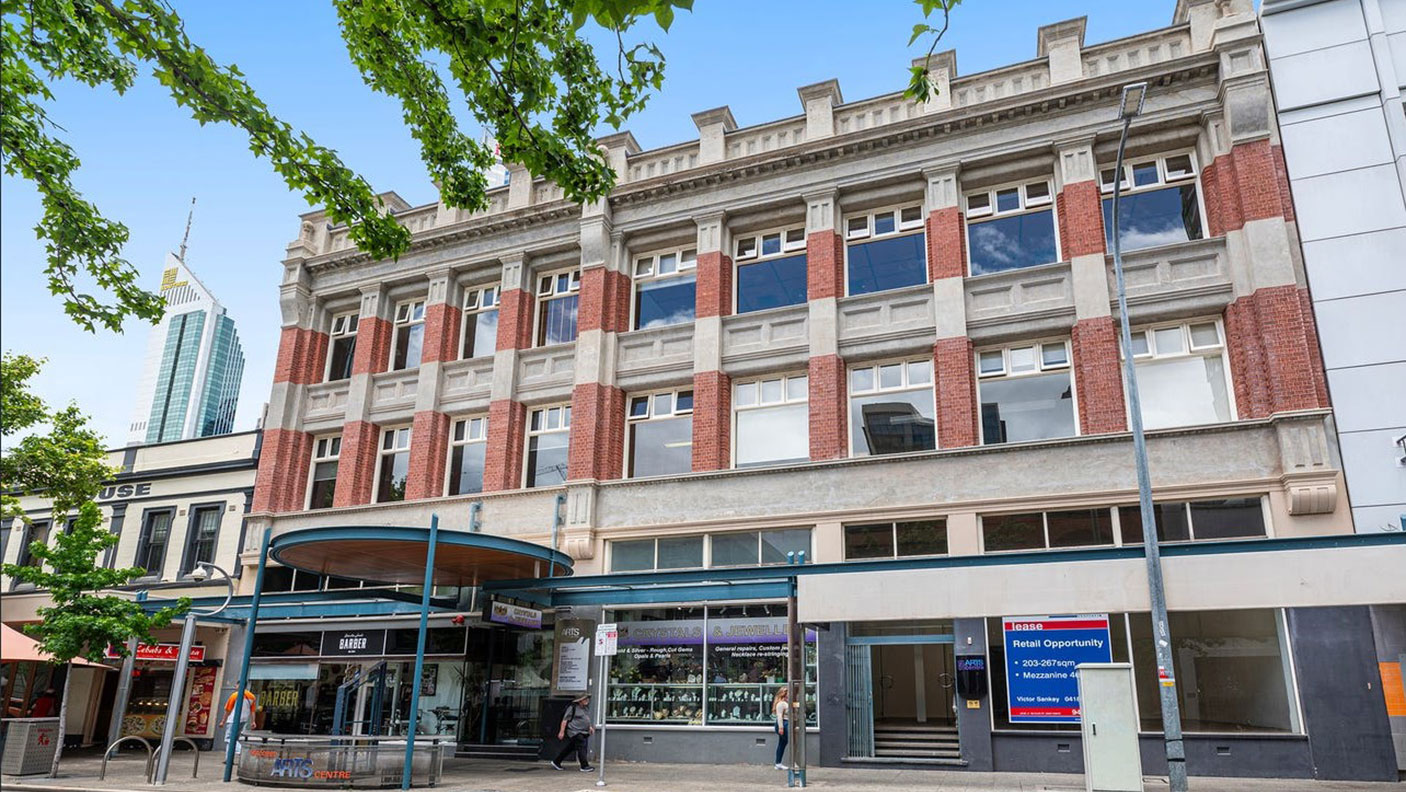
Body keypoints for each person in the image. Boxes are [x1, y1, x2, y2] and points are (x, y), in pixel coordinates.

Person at [550, 694, 595, 772]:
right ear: (580, 701)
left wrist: (589, 727)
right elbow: (565, 720)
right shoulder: (572, 708)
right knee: (581, 744)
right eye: (585, 699)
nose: (587, 700)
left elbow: (586, 718)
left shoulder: (585, 708)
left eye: (587, 699)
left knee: (570, 747)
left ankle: (556, 761)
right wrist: (561, 732)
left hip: (583, 731)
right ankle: (584, 766)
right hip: (574, 731)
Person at [219, 689, 257, 756]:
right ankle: (228, 758)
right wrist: (253, 721)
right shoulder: (252, 696)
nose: (235, 687)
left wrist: (223, 721)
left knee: (229, 738)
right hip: (244, 720)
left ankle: (241, 750)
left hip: (233, 719)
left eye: (236, 685)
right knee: (234, 739)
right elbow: (253, 711)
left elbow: (228, 710)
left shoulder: (235, 695)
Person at [771, 687, 790, 770]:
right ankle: (793, 762)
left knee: (782, 744)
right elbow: (779, 716)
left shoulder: (786, 702)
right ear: (784, 694)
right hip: (784, 724)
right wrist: (781, 727)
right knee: (791, 742)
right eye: (788, 693)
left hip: (786, 723)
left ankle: (778, 763)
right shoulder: (781, 704)